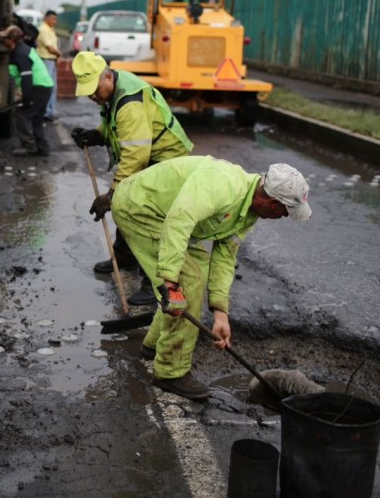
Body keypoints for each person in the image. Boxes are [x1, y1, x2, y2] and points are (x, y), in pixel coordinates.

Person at [111, 156, 312, 400]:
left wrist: (220, 313)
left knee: (198, 272)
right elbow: (179, 220)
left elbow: (225, 257)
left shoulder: (250, 213)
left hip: (168, 217)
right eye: (285, 213)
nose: (283, 217)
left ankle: (153, 345)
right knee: (188, 282)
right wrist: (170, 282)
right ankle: (170, 371)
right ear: (272, 203)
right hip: (141, 207)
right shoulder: (224, 185)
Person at [71, 51, 194, 306]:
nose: (92, 96)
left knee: (149, 217)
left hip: (166, 160)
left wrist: (112, 195)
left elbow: (136, 155)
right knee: (127, 206)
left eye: (94, 89)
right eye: (87, 92)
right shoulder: (112, 92)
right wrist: (96, 135)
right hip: (149, 156)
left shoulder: (130, 101)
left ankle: (154, 284)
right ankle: (125, 258)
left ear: (107, 76)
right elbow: (115, 127)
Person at [0, 24, 52, 156]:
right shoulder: (21, 50)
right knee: (36, 119)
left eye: (6, 38)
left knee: (22, 114)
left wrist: (26, 99)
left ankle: (29, 146)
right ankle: (42, 148)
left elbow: (27, 77)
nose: (3, 41)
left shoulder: (21, 53)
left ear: (12, 40)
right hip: (44, 86)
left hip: (38, 87)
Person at [36, 9, 61, 121]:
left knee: (53, 87)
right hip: (45, 60)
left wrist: (57, 56)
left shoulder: (50, 29)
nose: (54, 21)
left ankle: (50, 111)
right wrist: (60, 54)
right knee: (48, 87)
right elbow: (50, 48)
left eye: (55, 19)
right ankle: (46, 112)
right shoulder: (44, 30)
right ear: (46, 18)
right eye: (52, 18)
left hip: (51, 60)